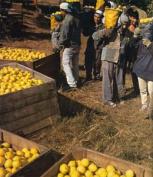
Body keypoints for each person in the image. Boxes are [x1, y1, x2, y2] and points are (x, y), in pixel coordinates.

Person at [93, 27, 120, 107]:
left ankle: (115, 97)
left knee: (116, 77)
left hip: (118, 52)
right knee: (108, 77)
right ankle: (107, 99)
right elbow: (94, 36)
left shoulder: (120, 23)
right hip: (109, 51)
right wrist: (106, 30)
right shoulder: (108, 23)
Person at [57, 2, 81, 91]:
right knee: (75, 63)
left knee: (65, 63)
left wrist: (59, 45)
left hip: (70, 45)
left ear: (63, 10)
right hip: (77, 44)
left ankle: (71, 84)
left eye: (61, 10)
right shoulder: (76, 18)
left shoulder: (67, 20)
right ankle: (76, 80)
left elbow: (64, 35)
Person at [133, 23, 153, 119]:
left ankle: (151, 108)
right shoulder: (141, 42)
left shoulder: (150, 44)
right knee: (143, 90)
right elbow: (132, 46)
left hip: (151, 72)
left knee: (151, 91)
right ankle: (144, 105)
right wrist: (135, 36)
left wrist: (149, 45)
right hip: (141, 69)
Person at [84, 9, 104, 82]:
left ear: (101, 18)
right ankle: (88, 75)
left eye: (98, 17)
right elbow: (85, 33)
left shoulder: (103, 27)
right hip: (90, 45)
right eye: (95, 16)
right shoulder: (91, 25)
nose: (96, 18)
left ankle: (96, 75)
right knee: (88, 60)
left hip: (99, 46)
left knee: (97, 61)